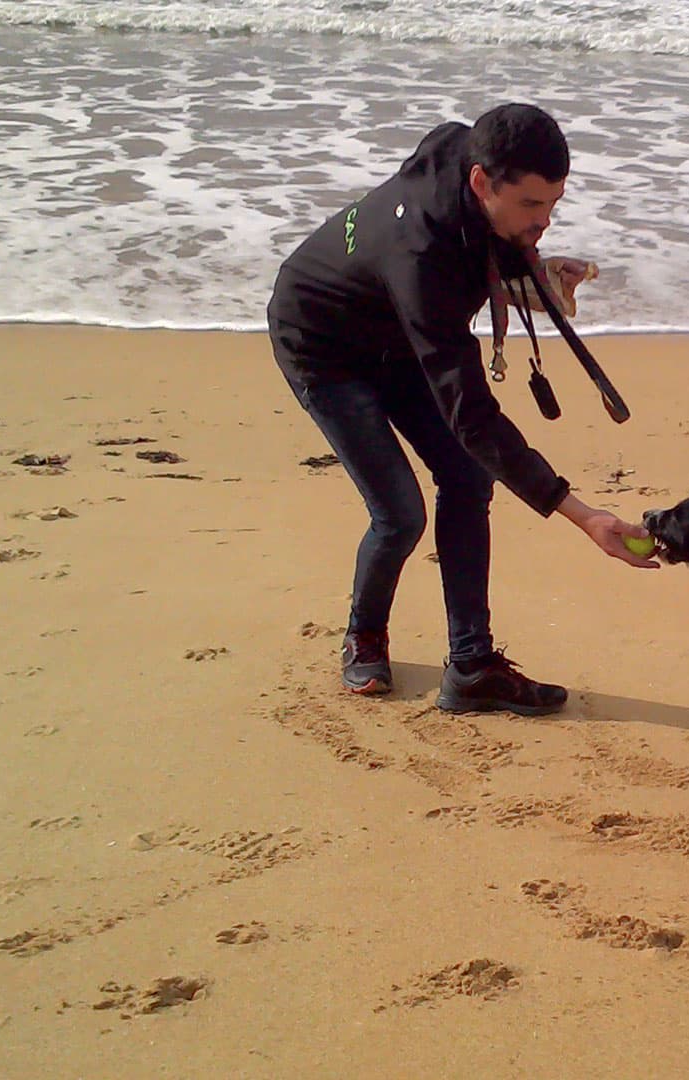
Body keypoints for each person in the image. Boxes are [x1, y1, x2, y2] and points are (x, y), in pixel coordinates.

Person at [266, 103, 655, 713]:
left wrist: (532, 272)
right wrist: (582, 515)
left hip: (398, 330)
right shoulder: (420, 256)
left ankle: (471, 664)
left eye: (553, 204)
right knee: (400, 514)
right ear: (481, 182)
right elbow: (472, 416)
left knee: (467, 478)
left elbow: (470, 247)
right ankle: (364, 634)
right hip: (323, 345)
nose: (544, 220)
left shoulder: (462, 149)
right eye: (530, 206)